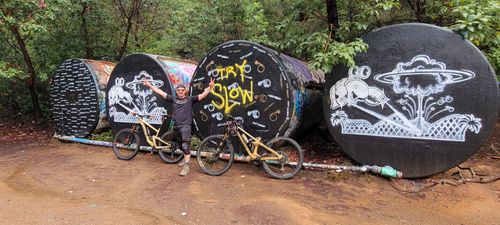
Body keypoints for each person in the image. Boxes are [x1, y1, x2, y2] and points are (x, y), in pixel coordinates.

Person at [144, 78, 214, 176]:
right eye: (178, 90)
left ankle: (186, 166)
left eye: (182, 90)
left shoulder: (190, 99)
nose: (180, 91)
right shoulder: (174, 99)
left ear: (185, 91)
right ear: (176, 91)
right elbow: (161, 92)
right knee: (179, 146)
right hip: (176, 125)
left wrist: (209, 88)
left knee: (185, 145)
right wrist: (150, 86)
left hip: (186, 125)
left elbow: (202, 96)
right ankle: (185, 159)